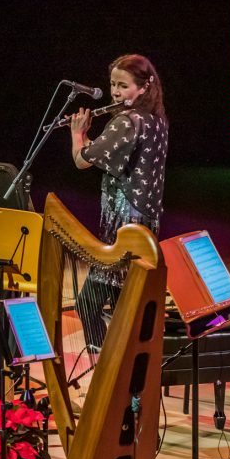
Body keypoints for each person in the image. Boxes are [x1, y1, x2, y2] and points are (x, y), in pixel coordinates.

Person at [68, 54, 168, 346]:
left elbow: (82, 160)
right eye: (112, 84)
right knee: (128, 310)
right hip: (144, 229)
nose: (114, 92)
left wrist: (77, 134)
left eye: (123, 86)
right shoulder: (156, 120)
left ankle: (105, 368)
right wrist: (89, 140)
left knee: (87, 304)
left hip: (123, 232)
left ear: (143, 88)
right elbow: (105, 153)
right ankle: (123, 373)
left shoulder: (127, 121)